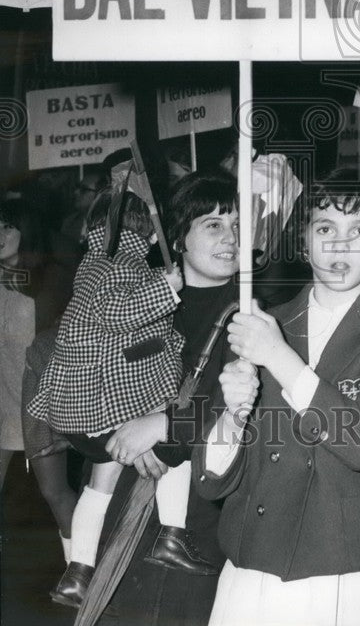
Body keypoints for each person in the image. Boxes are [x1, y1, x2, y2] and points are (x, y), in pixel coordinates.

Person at [194, 170, 360, 626]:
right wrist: (231, 418)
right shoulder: (262, 324)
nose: (340, 246)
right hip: (259, 565)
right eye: (325, 229)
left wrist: (279, 358)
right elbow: (212, 482)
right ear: (303, 242)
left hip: (354, 568)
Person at [28, 187, 214, 607]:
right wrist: (166, 288)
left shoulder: (91, 264)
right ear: (152, 237)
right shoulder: (124, 267)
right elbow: (117, 313)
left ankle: (77, 573)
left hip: (81, 415)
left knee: (101, 485)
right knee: (174, 448)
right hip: (108, 404)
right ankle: (172, 534)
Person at [97, 170, 241, 626]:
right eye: (214, 225)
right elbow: (85, 376)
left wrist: (162, 426)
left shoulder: (250, 308)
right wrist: (121, 430)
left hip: (204, 505)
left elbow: (254, 409)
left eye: (238, 225)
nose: (231, 237)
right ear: (177, 238)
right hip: (126, 494)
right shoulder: (136, 299)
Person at [1, 196, 72, 491]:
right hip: (4, 403)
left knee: (55, 495)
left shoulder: (51, 279)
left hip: (40, 406)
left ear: (26, 230)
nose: (0, 235)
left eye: (7, 227)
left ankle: (78, 540)